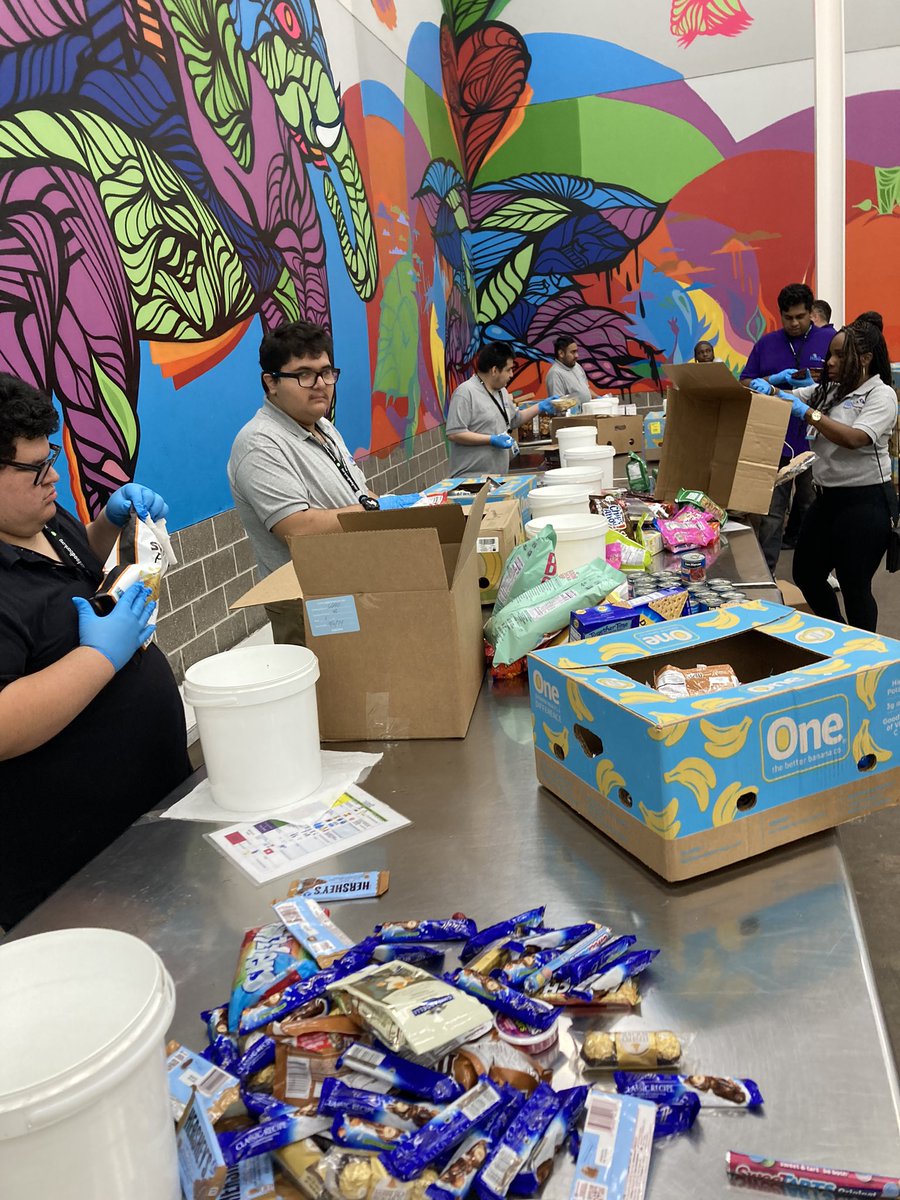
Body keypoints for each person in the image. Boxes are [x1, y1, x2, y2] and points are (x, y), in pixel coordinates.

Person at [0, 373, 191, 929]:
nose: (53, 475)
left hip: (149, 808)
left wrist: (106, 526)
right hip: (75, 868)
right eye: (34, 469)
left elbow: (69, 567)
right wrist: (98, 659)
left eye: (50, 457)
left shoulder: (40, 516)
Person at [228, 321, 419, 645]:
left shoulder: (323, 427)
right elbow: (297, 527)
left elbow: (357, 491)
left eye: (327, 372)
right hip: (310, 602)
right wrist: (374, 509)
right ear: (271, 382)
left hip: (354, 586)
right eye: (304, 374)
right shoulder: (260, 443)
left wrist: (393, 512)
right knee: (330, 693)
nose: (320, 384)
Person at [751, 322, 898, 630]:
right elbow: (769, 393)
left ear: (866, 358)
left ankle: (863, 655)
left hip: (865, 502)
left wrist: (807, 412)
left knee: (854, 585)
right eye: (830, 355)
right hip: (827, 498)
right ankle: (840, 633)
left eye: (839, 356)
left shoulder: (880, 394)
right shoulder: (828, 390)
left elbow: (856, 438)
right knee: (806, 573)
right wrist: (771, 384)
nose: (828, 362)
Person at [741, 283, 835, 570]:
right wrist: (774, 379)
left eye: (800, 316)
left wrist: (816, 385)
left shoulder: (830, 341)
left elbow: (848, 381)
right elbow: (745, 382)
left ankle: (818, 569)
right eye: (788, 317)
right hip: (775, 441)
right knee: (771, 514)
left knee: (813, 507)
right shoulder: (766, 345)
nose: (794, 323)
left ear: (811, 313)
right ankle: (767, 572)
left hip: (818, 442)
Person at [446, 342, 559, 475]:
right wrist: (491, 439)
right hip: (471, 479)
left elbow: (514, 420)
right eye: (508, 369)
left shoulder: (502, 391)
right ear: (494, 370)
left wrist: (540, 407)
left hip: (497, 476)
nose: (511, 374)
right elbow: (454, 433)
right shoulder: (465, 393)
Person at [545, 336, 594, 405]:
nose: (577, 355)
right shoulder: (555, 374)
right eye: (573, 352)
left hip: (586, 412)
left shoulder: (576, 366)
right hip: (574, 415)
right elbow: (558, 404)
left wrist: (599, 398)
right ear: (561, 353)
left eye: (576, 351)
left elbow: (586, 389)